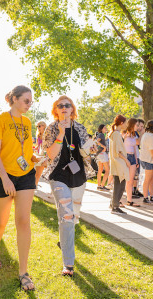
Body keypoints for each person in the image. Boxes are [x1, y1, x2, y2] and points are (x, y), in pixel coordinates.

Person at [0, 85, 37, 291]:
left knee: (23, 221)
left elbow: (26, 150)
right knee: (1, 221)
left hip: (26, 175)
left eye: (31, 101)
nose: (29, 104)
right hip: (3, 176)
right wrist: (5, 179)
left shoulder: (27, 122)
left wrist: (36, 158)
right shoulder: (0, 120)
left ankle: (23, 271)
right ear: (14, 99)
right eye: (26, 100)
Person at [43, 96, 89, 277]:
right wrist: (61, 135)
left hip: (78, 176)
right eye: (60, 106)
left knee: (74, 216)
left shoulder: (80, 128)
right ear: (55, 110)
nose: (64, 108)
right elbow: (50, 154)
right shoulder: (51, 128)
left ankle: (65, 240)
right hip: (58, 176)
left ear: (72, 109)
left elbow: (87, 151)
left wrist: (91, 150)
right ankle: (68, 264)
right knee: (67, 216)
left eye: (67, 105)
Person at [108, 115, 131, 214]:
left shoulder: (114, 134)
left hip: (116, 162)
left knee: (118, 184)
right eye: (126, 123)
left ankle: (113, 204)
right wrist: (126, 160)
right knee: (120, 185)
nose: (126, 125)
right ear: (121, 123)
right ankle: (115, 206)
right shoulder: (116, 134)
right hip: (119, 162)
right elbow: (118, 151)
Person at [121, 118, 140, 207]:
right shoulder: (124, 134)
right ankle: (119, 200)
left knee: (130, 180)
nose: (138, 127)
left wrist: (136, 160)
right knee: (123, 179)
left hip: (132, 157)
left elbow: (135, 148)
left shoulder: (134, 135)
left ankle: (129, 200)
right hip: (126, 157)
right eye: (137, 125)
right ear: (132, 125)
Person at [140, 121, 153, 203]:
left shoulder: (145, 134)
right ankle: (145, 197)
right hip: (149, 160)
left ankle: (152, 196)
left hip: (144, 158)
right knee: (148, 179)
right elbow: (152, 151)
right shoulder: (151, 136)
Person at [95, 124, 110, 191]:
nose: (106, 129)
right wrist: (104, 147)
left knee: (100, 170)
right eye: (104, 128)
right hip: (102, 154)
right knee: (107, 170)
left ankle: (99, 186)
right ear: (101, 129)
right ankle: (102, 185)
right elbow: (97, 141)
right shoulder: (101, 135)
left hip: (99, 154)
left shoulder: (100, 134)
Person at [34, 121, 47, 186]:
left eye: (39, 126)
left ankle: (34, 186)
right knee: (37, 173)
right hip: (39, 156)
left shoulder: (47, 135)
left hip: (45, 156)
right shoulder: (38, 135)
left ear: (44, 126)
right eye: (37, 126)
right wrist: (34, 148)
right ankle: (34, 186)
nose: (38, 128)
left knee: (38, 174)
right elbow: (37, 146)